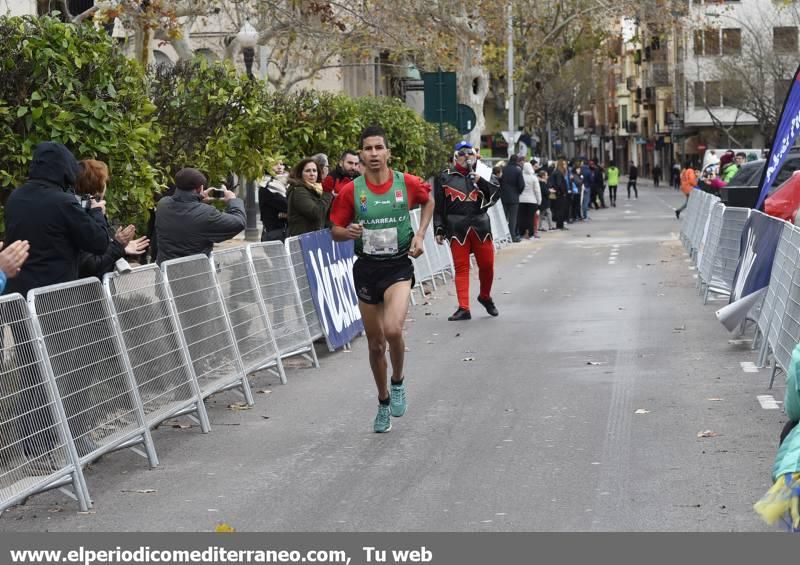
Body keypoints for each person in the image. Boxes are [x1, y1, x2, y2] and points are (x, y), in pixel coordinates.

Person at [3, 141, 110, 470]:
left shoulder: (16, 197)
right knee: (61, 372)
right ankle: (61, 442)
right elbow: (97, 242)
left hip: (20, 296)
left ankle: (35, 449)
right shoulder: (64, 202)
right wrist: (95, 213)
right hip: (57, 299)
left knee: (32, 371)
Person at [330, 125, 433, 433]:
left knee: (392, 330)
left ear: (388, 152)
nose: (374, 154)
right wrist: (347, 232)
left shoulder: (406, 183)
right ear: (361, 154)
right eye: (368, 149)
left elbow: (429, 200)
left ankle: (398, 381)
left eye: (379, 148)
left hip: (398, 266)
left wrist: (420, 234)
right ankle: (384, 400)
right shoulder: (352, 190)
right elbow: (334, 229)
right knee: (376, 346)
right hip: (366, 268)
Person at [433, 141, 501, 322]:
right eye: (462, 154)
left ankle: (485, 296)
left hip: (480, 224)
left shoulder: (484, 173)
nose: (466, 157)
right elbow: (439, 206)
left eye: (469, 153)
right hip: (456, 226)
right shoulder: (444, 177)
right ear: (455, 156)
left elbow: (495, 193)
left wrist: (480, 181)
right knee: (461, 267)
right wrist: (438, 228)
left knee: (487, 265)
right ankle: (464, 307)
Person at [74, 159, 149, 278]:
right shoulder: (84, 213)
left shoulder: (83, 208)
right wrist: (118, 246)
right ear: (98, 185)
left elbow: (98, 248)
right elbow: (90, 264)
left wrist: (120, 247)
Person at [155, 167, 245, 263]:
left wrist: (198, 198)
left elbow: (186, 213)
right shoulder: (207, 214)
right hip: (196, 273)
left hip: (166, 273)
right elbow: (239, 222)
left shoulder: (163, 204)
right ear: (200, 188)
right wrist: (233, 200)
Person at [286, 158, 333, 236]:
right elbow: (316, 213)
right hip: (303, 241)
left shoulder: (316, 189)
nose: (312, 174)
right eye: (308, 171)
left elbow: (325, 216)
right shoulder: (299, 191)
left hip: (315, 239)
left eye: (314, 170)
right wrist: (327, 193)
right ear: (300, 173)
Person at [258, 161, 289, 242]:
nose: (279, 167)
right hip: (275, 235)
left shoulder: (286, 185)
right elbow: (289, 206)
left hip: (284, 233)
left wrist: (286, 215)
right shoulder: (267, 187)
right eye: (275, 164)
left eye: (281, 164)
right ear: (267, 167)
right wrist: (288, 214)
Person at [500, 155, 525, 242]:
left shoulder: (503, 169)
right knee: (513, 218)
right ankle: (512, 236)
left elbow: (499, 181)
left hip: (503, 196)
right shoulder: (518, 170)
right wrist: (518, 192)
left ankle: (502, 236)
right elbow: (522, 185)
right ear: (517, 161)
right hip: (514, 197)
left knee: (503, 217)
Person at [518, 158, 539, 239]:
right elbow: (537, 190)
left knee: (522, 217)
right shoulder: (533, 177)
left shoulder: (521, 176)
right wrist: (539, 200)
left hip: (521, 200)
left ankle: (522, 233)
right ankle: (530, 234)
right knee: (530, 218)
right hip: (532, 200)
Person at [549, 159, 570, 230]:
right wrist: (563, 191)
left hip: (557, 193)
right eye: (564, 164)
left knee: (559, 209)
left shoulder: (556, 172)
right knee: (560, 210)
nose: (565, 166)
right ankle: (560, 225)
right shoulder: (558, 173)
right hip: (559, 194)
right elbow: (559, 184)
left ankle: (560, 224)